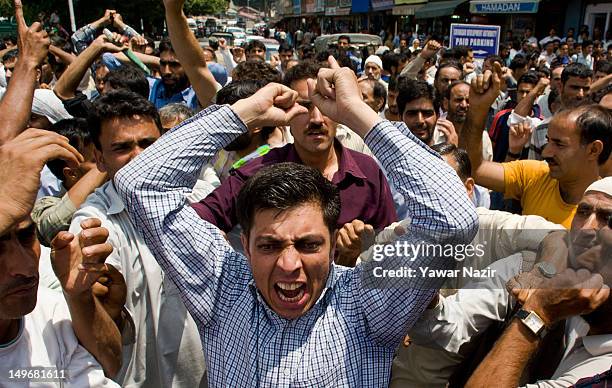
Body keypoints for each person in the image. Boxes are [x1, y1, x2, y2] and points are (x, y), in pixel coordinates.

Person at [111, 56, 478, 387]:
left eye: (308, 245)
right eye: (269, 246)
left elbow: (453, 220)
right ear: (245, 244)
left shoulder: (367, 302)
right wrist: (240, 114)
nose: (289, 266)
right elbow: (139, 183)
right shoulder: (222, 288)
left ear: (334, 243)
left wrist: (359, 114)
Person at [192, 62, 396, 264]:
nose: (316, 119)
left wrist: (360, 248)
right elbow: (195, 219)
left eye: (325, 105)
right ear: (285, 112)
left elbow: (392, 246)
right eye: (305, 107)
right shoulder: (260, 171)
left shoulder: (367, 171)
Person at [70, 89, 208, 386]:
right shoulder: (94, 226)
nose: (139, 156)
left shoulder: (199, 200)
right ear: (100, 158)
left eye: (148, 143)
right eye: (122, 147)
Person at [0, 128, 124, 387]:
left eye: (26, 237)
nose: (24, 268)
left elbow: (110, 367)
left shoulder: (52, 312)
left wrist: (81, 298)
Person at [460, 63, 611, 228]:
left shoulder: (606, 209)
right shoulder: (535, 176)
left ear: (593, 150)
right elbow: (473, 168)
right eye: (548, 141)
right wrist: (477, 110)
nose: (546, 152)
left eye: (559, 144)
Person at [31, 118, 107, 247]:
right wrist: (106, 164)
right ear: (72, 173)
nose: (106, 161)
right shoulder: (46, 206)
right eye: (97, 160)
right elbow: (51, 227)